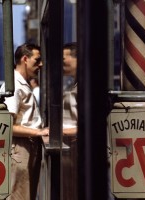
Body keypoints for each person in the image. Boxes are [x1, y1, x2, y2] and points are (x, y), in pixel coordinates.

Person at [0, 43, 49, 200]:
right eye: (37, 60)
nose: (40, 64)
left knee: (28, 194)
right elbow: (7, 125)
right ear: (25, 59)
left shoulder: (22, 84)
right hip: (21, 147)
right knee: (20, 195)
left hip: (28, 146)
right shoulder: (13, 85)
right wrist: (38, 131)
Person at [62, 42, 78, 200]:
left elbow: (92, 126)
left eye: (64, 58)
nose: (62, 63)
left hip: (79, 152)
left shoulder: (86, 87)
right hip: (71, 151)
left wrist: (61, 131)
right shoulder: (74, 84)